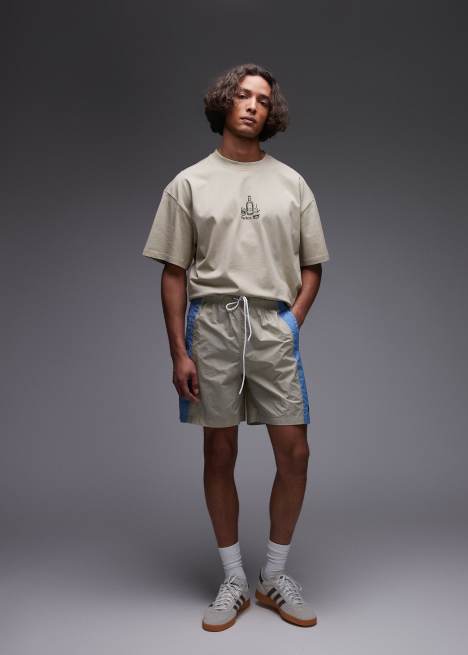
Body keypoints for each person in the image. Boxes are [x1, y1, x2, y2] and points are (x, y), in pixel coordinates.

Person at [142, 63, 330, 631]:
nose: (252, 106)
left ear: (272, 113)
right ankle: (232, 578)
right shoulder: (189, 183)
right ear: (224, 103)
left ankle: (273, 576)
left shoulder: (292, 183)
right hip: (213, 327)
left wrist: (293, 321)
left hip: (272, 325)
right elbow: (173, 272)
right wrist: (178, 351)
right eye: (243, 95)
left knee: (295, 453)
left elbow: (312, 265)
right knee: (219, 453)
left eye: (263, 100)